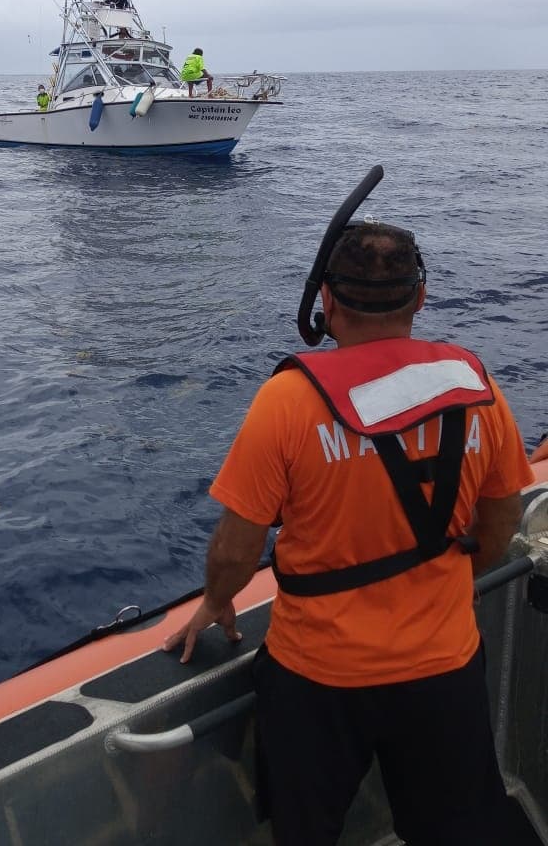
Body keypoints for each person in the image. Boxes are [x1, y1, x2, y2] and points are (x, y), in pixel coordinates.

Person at [164, 216, 532, 846]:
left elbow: (237, 545)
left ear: (326, 301)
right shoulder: (481, 390)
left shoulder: (286, 403)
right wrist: (452, 580)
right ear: (420, 297)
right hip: (446, 667)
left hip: (319, 680)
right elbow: (500, 518)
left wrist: (217, 602)